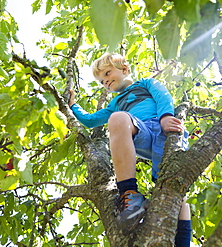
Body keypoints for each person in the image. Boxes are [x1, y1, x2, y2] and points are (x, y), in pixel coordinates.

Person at [68, 53, 192, 245]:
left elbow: (162, 95)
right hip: (141, 132)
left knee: (174, 188)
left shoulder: (145, 83)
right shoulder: (115, 104)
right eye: (101, 81)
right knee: (117, 118)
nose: (105, 81)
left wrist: (166, 116)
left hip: (163, 129)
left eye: (108, 73)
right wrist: (72, 105)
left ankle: (183, 243)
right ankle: (129, 193)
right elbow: (90, 120)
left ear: (124, 69)